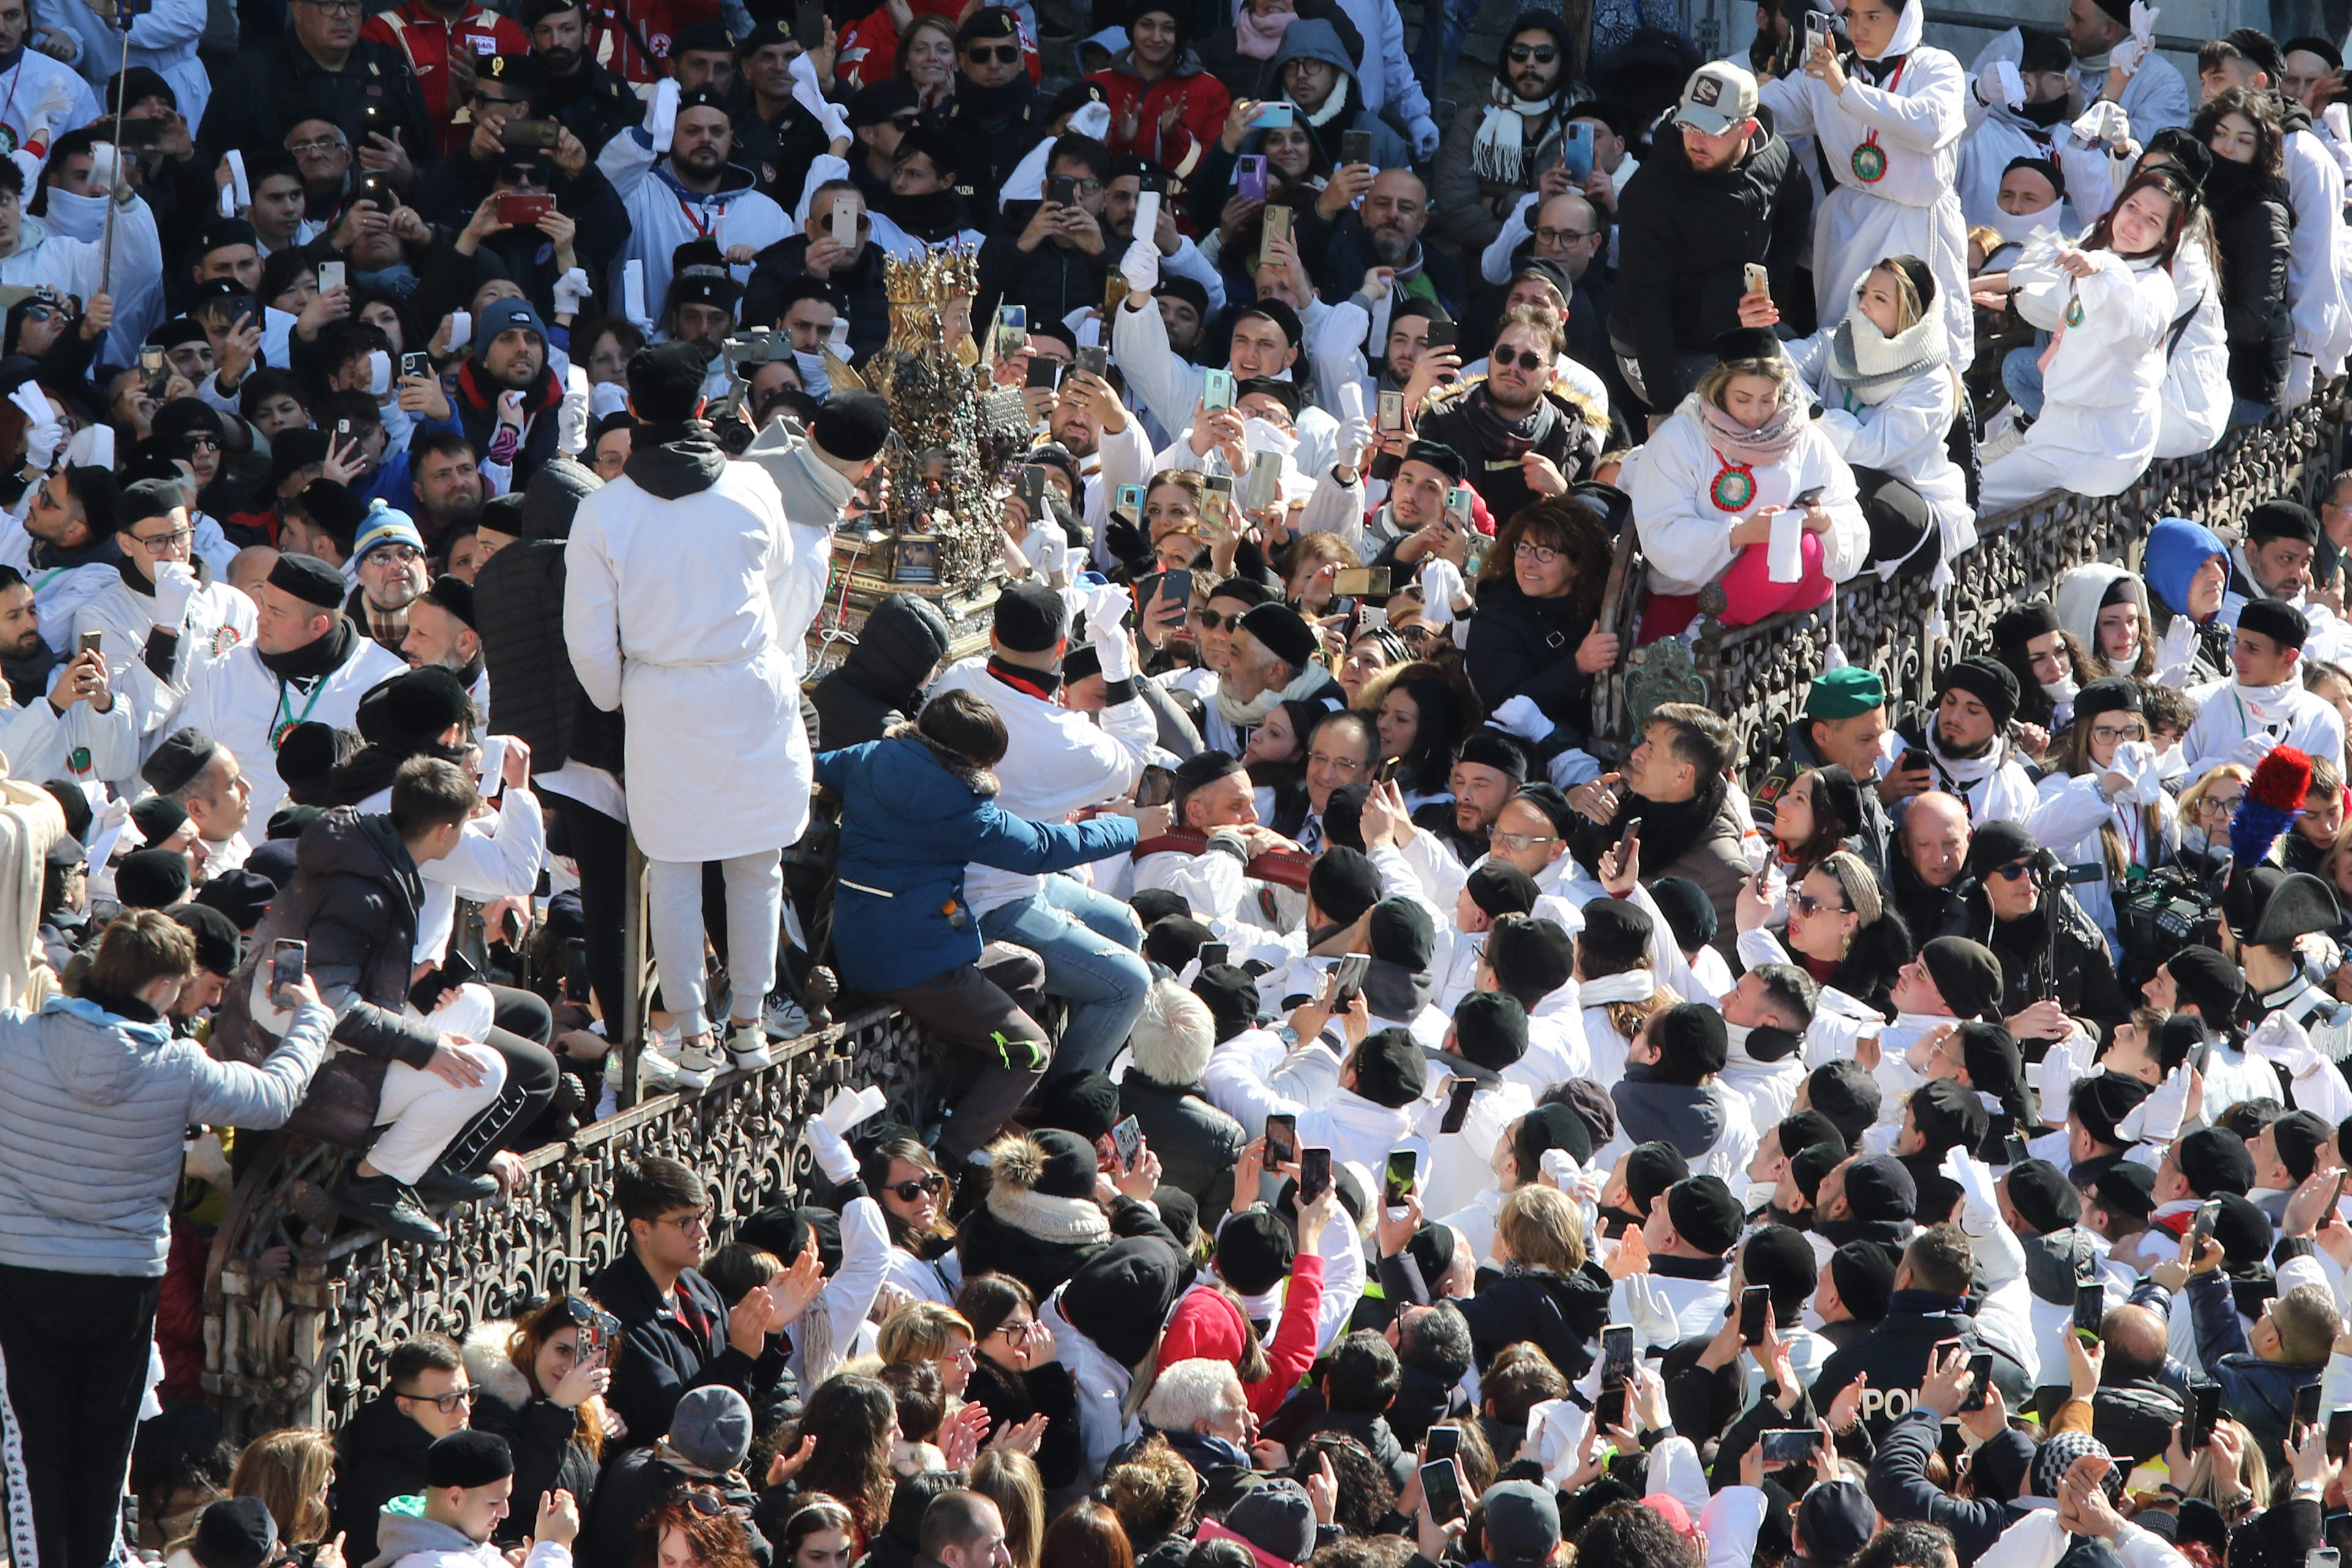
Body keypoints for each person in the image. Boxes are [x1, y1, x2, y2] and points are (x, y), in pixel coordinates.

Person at [0, 909, 326, 1568]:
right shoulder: (179, 1066)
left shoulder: (12, 1036)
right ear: (160, 987)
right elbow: (276, 1095)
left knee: (33, 1449)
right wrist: (311, 1018)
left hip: (23, 1272)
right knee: (104, 1448)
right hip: (122, 1283)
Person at [565, 343, 821, 1084]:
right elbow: (779, 578)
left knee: (675, 864)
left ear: (631, 411)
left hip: (664, 694)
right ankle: (749, 1023)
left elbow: (587, 636)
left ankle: (694, 1033)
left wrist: (619, 694)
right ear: (704, 407)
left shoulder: (603, 509)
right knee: (756, 860)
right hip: (749, 683)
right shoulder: (753, 485)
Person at [819, 688, 1152, 1160]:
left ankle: (973, 1104)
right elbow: (1042, 849)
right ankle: (952, 1153)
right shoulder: (959, 803)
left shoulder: (870, 757)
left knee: (1025, 969)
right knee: (1030, 1050)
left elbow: (811, 766)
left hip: (869, 943)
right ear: (972, 759)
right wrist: (1131, 826)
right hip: (916, 963)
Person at [930, 582, 1157, 1084]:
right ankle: (1059, 1101)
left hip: (1007, 878)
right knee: (1130, 983)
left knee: (1125, 924)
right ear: (1060, 649)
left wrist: (1072, 601)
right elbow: (1135, 757)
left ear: (993, 636)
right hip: (988, 902)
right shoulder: (1068, 739)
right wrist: (1116, 661)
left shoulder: (958, 679)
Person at [1759, 0, 1971, 364]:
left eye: (1873, 16)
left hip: (1917, 224)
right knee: (1843, 346)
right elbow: (1768, 109)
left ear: (1904, 17)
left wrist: (1847, 92)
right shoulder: (1828, 72)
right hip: (1851, 225)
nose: (1859, 28)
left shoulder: (1937, 66)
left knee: (1919, 351)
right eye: (1852, 16)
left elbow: (1929, 126)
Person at [1974, 168, 2190, 510]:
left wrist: (2102, 268)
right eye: (2132, 207)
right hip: (2065, 429)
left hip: (2101, 445)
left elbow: (2126, 324)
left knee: (1975, 498)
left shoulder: (2155, 286)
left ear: (2166, 238)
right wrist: (2008, 299)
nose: (2134, 224)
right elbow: (2061, 303)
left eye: (2152, 220)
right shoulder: (2100, 255)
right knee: (1991, 494)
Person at [1629, 328, 1868, 636]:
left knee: (1804, 545)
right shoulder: (1679, 438)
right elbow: (1661, 532)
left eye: (1768, 399)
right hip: (1692, 594)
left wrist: (1822, 521)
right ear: (1720, 389)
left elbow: (1850, 514)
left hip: (1781, 594)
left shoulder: (1805, 438)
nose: (1755, 413)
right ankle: (1698, 635)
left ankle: (1706, 633)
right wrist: (1741, 534)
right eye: (1743, 399)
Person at [1609, 62, 1813, 421]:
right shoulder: (1650, 194)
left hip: (1738, 328)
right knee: (1740, 417)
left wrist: (1770, 291)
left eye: (1712, 130)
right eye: (1689, 125)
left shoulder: (1774, 158)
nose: (1696, 141)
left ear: (1748, 128)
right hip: (1659, 349)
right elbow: (1646, 307)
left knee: (1808, 402)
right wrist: (1667, 409)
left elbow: (1798, 205)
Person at [160, 548, 408, 831]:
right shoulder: (227, 671)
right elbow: (181, 768)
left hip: (338, 849)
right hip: (242, 853)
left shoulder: (383, 681)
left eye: (276, 612)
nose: (260, 619)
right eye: (264, 604)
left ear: (318, 625)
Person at [2191, 87, 2293, 426]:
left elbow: (2252, 324)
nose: (2227, 147)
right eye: (2220, 134)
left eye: (2243, 141)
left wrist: (2174, 314)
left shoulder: (2264, 213)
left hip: (2242, 383)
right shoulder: (2197, 190)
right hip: (2197, 365)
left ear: (2259, 151)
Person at [366, 1430, 579, 1568]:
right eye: (494, 1502)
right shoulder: (430, 1564)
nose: (505, 1512)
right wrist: (553, 1549)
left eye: (506, 1499)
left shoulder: (463, 1544)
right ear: (455, 1499)